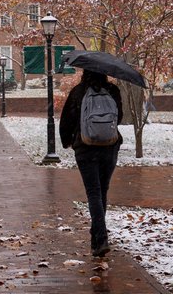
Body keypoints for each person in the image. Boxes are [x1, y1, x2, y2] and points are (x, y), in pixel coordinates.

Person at [59, 69, 123, 257]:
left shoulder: (79, 92)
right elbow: (118, 117)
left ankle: (100, 238)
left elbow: (67, 120)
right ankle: (97, 238)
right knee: (102, 190)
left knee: (93, 192)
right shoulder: (113, 90)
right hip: (109, 146)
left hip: (85, 147)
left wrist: (67, 141)